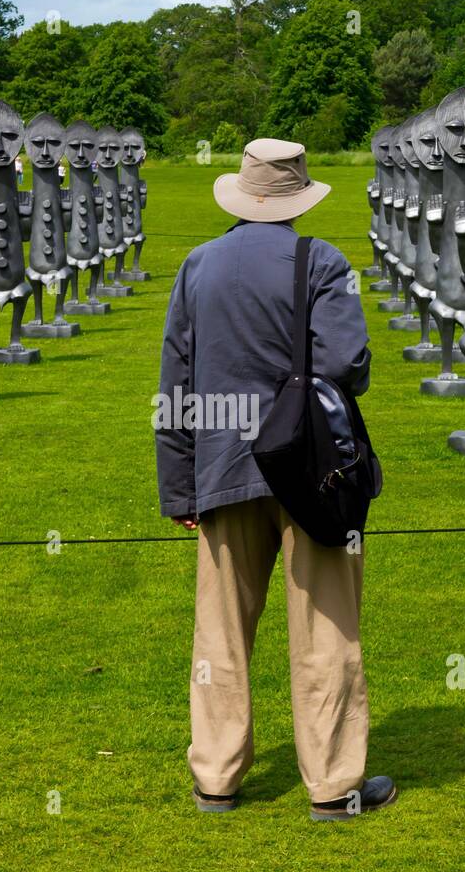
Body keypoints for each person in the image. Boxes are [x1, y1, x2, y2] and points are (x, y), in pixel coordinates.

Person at [155, 138, 394, 822]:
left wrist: (179, 487)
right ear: (298, 198)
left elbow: (175, 385)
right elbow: (347, 361)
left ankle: (217, 780)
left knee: (220, 635)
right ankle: (332, 785)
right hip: (311, 471)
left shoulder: (196, 267)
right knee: (326, 632)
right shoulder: (321, 261)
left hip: (220, 470)